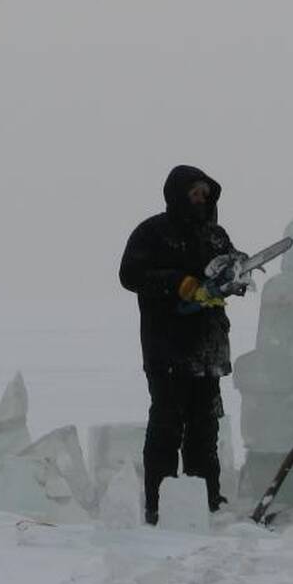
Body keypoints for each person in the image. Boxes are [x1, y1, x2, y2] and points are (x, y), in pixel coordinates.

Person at [119, 165, 245, 525]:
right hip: (167, 346)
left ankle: (207, 499)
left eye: (206, 193)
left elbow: (230, 267)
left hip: (208, 346)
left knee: (205, 427)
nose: (201, 199)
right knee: (167, 424)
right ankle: (158, 502)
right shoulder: (153, 232)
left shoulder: (216, 235)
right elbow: (130, 275)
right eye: (195, 192)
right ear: (177, 194)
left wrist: (234, 276)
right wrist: (179, 283)